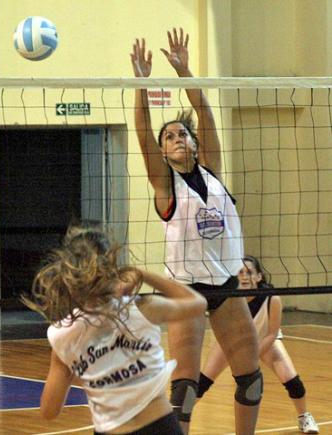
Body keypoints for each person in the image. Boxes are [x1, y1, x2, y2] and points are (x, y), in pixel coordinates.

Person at [130, 28, 261, 434]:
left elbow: (204, 111)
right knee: (184, 390)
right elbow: (142, 133)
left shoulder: (212, 171)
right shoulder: (165, 185)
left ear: (194, 143)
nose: (178, 138)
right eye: (169, 137)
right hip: (185, 291)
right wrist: (141, 84)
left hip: (225, 286)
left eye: (182, 133)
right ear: (163, 151)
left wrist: (184, 71)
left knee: (252, 382)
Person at [24, 226, 207, 434]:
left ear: (70, 274)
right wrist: (142, 274)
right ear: (112, 267)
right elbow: (198, 303)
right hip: (160, 426)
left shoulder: (63, 335)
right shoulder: (144, 308)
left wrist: (88, 375)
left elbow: (49, 411)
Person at [197, 255, 319, 434]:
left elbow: (272, 334)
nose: (244, 276)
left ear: (259, 276)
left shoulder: (271, 298)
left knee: (293, 381)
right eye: (240, 272)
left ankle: (304, 416)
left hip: (266, 341)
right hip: (233, 341)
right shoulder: (227, 298)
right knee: (202, 383)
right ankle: (178, 419)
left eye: (249, 272)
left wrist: (250, 358)